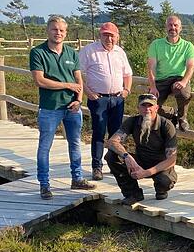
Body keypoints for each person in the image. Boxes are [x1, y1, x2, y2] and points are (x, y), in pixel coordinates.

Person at [30, 15, 96, 199]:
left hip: (72, 108)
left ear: (65, 33)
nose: (58, 33)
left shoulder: (71, 53)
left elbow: (78, 80)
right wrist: (67, 86)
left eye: (61, 30)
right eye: (54, 29)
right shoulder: (38, 52)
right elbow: (40, 80)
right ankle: (44, 184)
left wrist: (79, 100)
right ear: (48, 31)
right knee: (45, 146)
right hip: (50, 108)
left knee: (75, 143)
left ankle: (77, 178)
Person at [79, 22, 133, 181]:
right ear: (100, 35)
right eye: (105, 34)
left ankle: (115, 164)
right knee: (98, 133)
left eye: (112, 35)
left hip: (117, 98)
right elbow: (77, 73)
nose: (109, 38)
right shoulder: (89, 51)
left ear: (117, 36)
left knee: (117, 134)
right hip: (98, 99)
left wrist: (126, 91)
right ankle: (97, 167)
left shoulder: (120, 52)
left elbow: (127, 74)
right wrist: (88, 93)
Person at [104, 93, 177, 206]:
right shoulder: (132, 121)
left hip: (161, 165)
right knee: (111, 156)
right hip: (141, 160)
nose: (147, 109)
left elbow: (172, 159)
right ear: (138, 108)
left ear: (156, 108)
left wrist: (146, 172)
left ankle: (161, 189)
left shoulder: (166, 125)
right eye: (143, 106)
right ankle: (133, 193)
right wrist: (127, 157)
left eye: (150, 106)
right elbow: (112, 142)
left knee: (164, 182)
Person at [147, 15, 194, 131]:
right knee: (149, 105)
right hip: (161, 79)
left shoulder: (188, 46)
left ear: (180, 28)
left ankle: (182, 118)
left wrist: (184, 81)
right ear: (165, 27)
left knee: (184, 93)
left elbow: (190, 66)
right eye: (170, 25)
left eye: (175, 25)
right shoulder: (156, 44)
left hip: (179, 78)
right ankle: (171, 114)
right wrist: (153, 86)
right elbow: (151, 66)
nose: (172, 27)